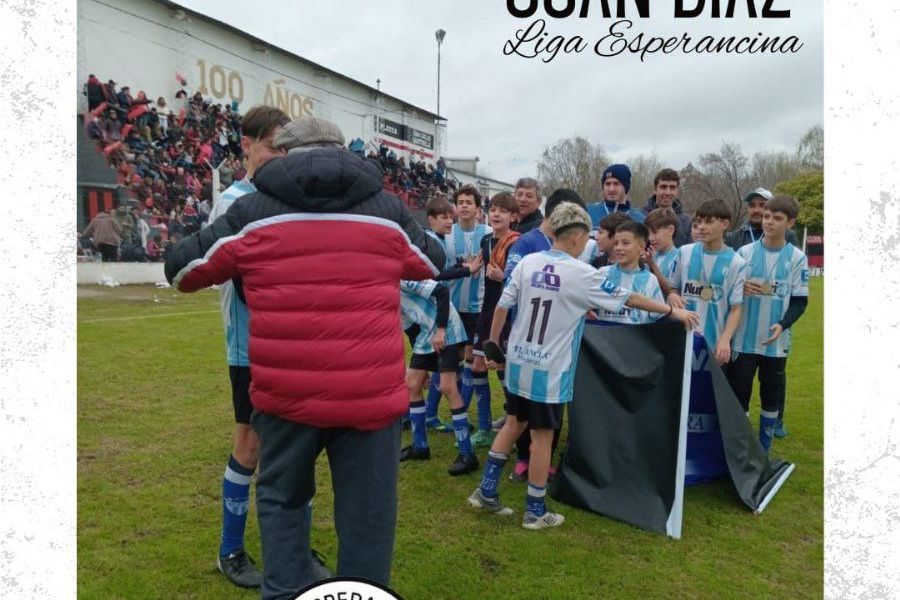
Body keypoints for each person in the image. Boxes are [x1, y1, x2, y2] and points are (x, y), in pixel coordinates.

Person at [164, 115, 444, 599]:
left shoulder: (252, 211)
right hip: (368, 399)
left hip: (285, 398)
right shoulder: (389, 211)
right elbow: (433, 260)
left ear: (285, 154)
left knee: (283, 504)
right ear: (345, 151)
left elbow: (181, 269)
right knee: (369, 516)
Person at [468, 203, 699, 528]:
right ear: (577, 236)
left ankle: (486, 491)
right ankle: (535, 510)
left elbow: (503, 306)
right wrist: (671, 310)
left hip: (519, 359)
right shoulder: (582, 273)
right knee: (542, 436)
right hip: (549, 369)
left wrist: (494, 346)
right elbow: (628, 298)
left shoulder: (530, 261)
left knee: (513, 422)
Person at [202, 105, 291, 589]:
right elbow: (232, 274)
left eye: (286, 146)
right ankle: (230, 549)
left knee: (293, 447)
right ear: (248, 145)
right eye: (273, 144)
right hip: (251, 346)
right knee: (251, 444)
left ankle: (289, 544)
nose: (280, 154)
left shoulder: (291, 199)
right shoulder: (233, 201)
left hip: (293, 345)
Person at [502, 189, 589, 483]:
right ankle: (527, 470)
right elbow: (507, 294)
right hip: (540, 350)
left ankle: (490, 488)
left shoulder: (561, 257)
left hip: (528, 350)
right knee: (531, 424)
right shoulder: (526, 244)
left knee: (524, 419)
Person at [728, 195, 809, 447]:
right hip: (743, 339)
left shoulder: (797, 258)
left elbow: (799, 300)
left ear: (790, 222)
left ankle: (764, 448)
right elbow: (729, 293)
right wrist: (741, 286)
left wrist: (783, 324)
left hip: (775, 341)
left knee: (770, 393)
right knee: (740, 393)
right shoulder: (744, 252)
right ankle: (742, 447)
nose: (769, 222)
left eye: (776, 218)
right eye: (766, 216)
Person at [399, 279, 478, 475]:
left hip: (447, 327)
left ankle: (468, 454)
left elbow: (442, 291)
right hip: (426, 335)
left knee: (447, 386)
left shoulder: (404, 279)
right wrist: (422, 367)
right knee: (412, 384)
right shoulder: (388, 298)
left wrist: (441, 329)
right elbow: (411, 329)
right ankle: (420, 446)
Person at [668, 199, 747, 366]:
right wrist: (672, 294)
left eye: (709, 222)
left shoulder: (737, 263)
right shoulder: (684, 252)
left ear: (725, 224)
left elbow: (736, 308)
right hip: (682, 340)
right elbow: (673, 288)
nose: (702, 227)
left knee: (709, 391)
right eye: (699, 221)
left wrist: (725, 339)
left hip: (715, 344)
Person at [470, 192, 520, 447]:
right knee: (477, 366)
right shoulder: (486, 240)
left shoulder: (517, 243)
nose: (496, 214)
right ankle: (485, 426)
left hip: (507, 314)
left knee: (502, 369)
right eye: (493, 209)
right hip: (487, 309)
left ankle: (514, 421)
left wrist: (503, 277)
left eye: (503, 210)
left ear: (513, 217)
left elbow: (520, 282)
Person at [445, 186, 490, 418]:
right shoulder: (447, 234)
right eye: (460, 202)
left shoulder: (488, 233)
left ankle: (475, 418)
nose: (464, 205)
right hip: (451, 307)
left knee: (473, 360)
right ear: (455, 207)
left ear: (477, 208)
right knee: (450, 362)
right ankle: (448, 415)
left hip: (478, 307)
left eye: (468, 202)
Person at [595, 221, 665, 324]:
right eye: (616, 243)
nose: (618, 248)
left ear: (641, 247)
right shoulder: (602, 274)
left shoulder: (651, 280)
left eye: (625, 243)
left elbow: (658, 318)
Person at [725, 187, 799, 251]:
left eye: (762, 205)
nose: (756, 210)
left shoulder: (787, 235)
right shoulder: (733, 237)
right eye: (752, 205)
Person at [640, 168, 693, 247]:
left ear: (677, 190)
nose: (668, 192)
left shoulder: (687, 222)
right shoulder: (639, 217)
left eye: (672, 187)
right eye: (663, 187)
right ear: (655, 190)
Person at [586, 164, 645, 228]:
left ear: (626, 187)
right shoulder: (588, 212)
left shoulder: (640, 219)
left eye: (616, 184)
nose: (611, 189)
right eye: (607, 184)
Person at [644, 207, 681, 291]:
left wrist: (652, 266)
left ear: (670, 230)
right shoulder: (650, 255)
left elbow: (672, 291)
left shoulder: (679, 257)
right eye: (648, 233)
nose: (650, 238)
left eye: (654, 232)